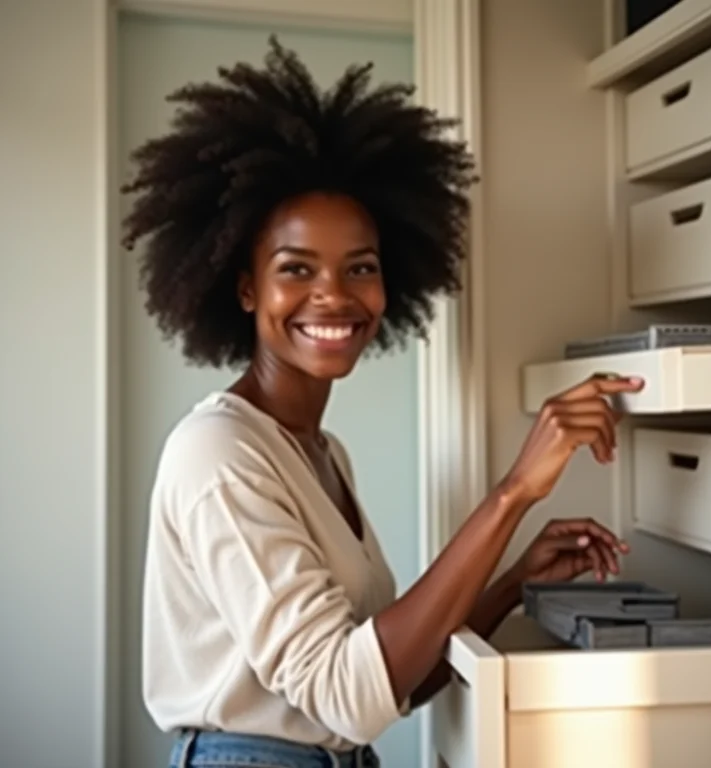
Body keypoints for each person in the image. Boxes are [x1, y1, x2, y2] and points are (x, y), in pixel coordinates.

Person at [122, 37, 645, 768]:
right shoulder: (218, 452)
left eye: (359, 268)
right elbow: (347, 696)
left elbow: (388, 683)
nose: (333, 294)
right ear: (245, 288)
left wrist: (513, 586)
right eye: (295, 269)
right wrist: (512, 494)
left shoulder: (320, 453)